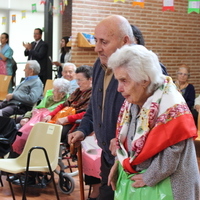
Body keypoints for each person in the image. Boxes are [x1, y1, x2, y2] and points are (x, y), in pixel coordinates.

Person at [107, 44, 199, 200]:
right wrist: (119, 163)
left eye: (124, 81)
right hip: (141, 184)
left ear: (144, 80)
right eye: (118, 81)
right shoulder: (134, 100)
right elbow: (126, 139)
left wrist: (149, 176)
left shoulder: (171, 103)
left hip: (168, 184)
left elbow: (173, 149)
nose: (119, 88)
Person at [68, 15, 135, 200]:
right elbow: (95, 107)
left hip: (134, 163)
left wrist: (126, 141)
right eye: (96, 41)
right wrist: (83, 129)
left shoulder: (145, 70)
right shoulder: (100, 65)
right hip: (108, 156)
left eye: (103, 42)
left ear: (125, 41)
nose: (97, 48)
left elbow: (153, 122)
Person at [12, 78, 70, 156]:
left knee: (23, 134)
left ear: (62, 94)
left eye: (55, 90)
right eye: (53, 88)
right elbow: (35, 109)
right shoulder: (48, 97)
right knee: (14, 129)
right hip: (32, 121)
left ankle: (20, 157)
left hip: (43, 126)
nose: (52, 91)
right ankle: (13, 156)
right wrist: (26, 117)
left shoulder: (65, 103)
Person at [43, 65, 93, 143]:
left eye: (80, 80)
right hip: (66, 120)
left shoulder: (94, 95)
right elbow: (63, 105)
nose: (78, 83)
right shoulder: (77, 91)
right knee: (44, 128)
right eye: (77, 80)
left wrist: (67, 119)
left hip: (79, 124)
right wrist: (50, 115)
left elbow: (87, 114)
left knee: (52, 133)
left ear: (90, 79)